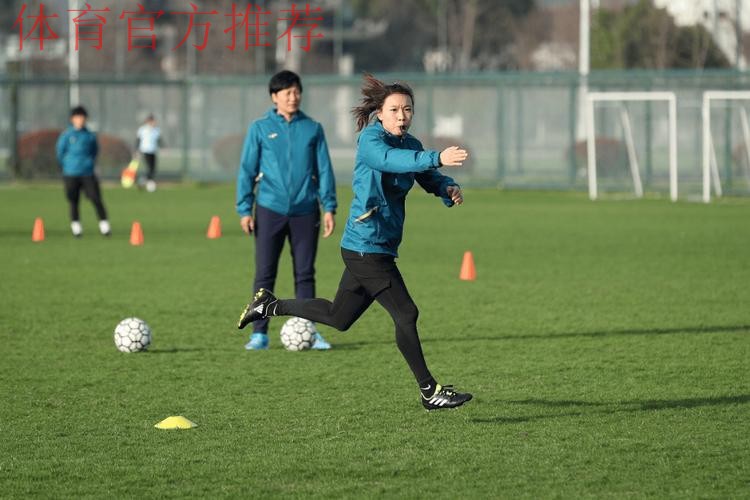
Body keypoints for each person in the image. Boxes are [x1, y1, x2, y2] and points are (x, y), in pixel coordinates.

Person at [238, 74, 473, 411]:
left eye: (407, 109)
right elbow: (390, 161)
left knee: (339, 317)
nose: (402, 116)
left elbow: (425, 174)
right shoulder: (370, 141)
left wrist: (446, 187)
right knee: (406, 312)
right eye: (394, 110)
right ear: (379, 112)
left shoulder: (410, 144)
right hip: (366, 246)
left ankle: (268, 306)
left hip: (377, 245)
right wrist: (437, 157)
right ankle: (429, 391)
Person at [236, 70, 337, 351]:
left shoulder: (313, 128)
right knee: (264, 274)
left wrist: (329, 207)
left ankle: (309, 330)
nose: (293, 97)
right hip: (269, 209)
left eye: (297, 92)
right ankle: (259, 333)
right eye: (287, 93)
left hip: (306, 210)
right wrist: (245, 208)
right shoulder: (260, 128)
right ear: (274, 97)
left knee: (305, 274)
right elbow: (247, 169)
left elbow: (324, 170)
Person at [56, 106, 110, 238]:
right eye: (77, 117)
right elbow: (60, 152)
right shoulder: (66, 135)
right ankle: (76, 227)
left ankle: (104, 225)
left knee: (95, 198)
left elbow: (94, 151)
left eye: (82, 117)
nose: (80, 120)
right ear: (72, 119)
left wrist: (88, 163)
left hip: (87, 172)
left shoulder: (90, 136)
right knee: (73, 200)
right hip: (70, 173)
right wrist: (67, 165)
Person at [135, 114, 162, 193]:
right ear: (148, 121)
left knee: (153, 169)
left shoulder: (157, 130)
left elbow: (159, 140)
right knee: (150, 169)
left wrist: (164, 147)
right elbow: (138, 140)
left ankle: (143, 182)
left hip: (153, 151)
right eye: (152, 121)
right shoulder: (142, 129)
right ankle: (147, 183)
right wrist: (136, 151)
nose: (154, 123)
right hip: (145, 151)